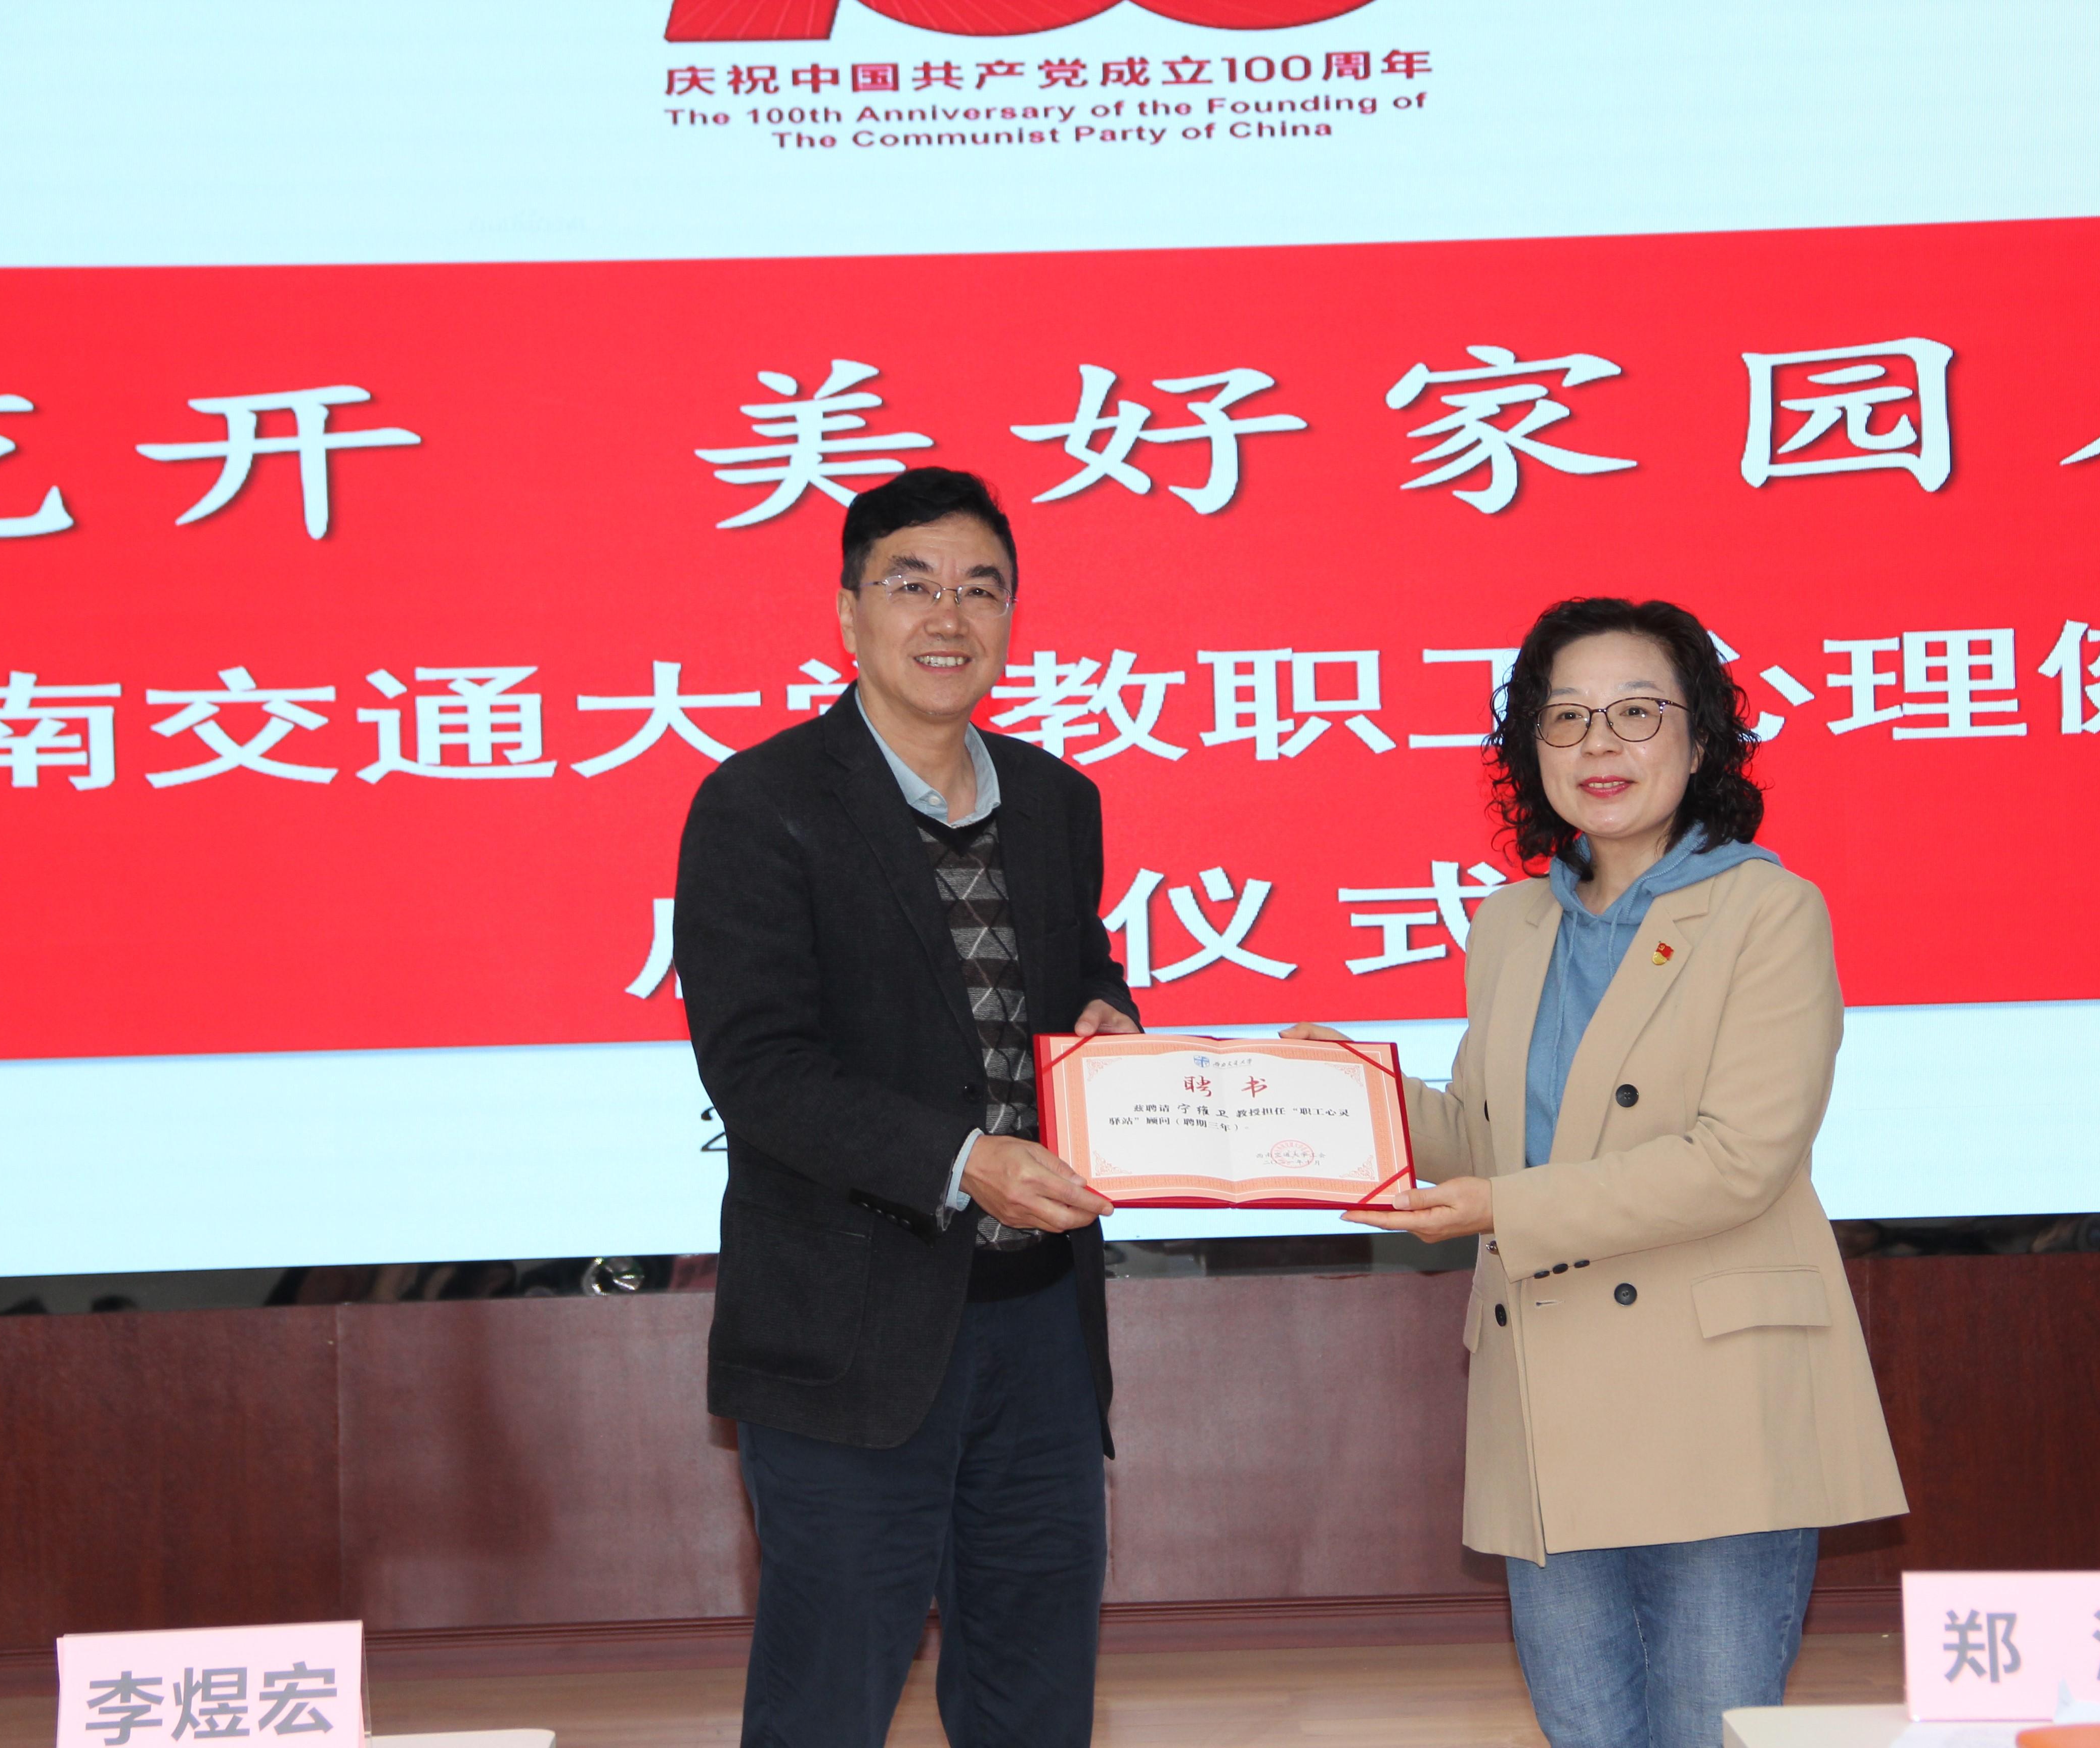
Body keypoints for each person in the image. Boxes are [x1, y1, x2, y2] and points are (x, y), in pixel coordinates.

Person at [1290, 596, 1905, 1748]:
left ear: (1702, 738)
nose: (1598, 744)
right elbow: (1488, 1138)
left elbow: (1738, 1162)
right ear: (1530, 749)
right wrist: (1354, 1094)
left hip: (1718, 1400)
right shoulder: (1513, 924)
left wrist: (1501, 1208)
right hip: (1549, 1398)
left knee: (1706, 1734)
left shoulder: (1769, 911)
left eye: (1635, 712)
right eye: (1564, 717)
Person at [674, 467, 1142, 1747]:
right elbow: (758, 1068)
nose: (950, 617)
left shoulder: (1056, 800)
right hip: (849, 1331)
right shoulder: (759, 804)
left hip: (1041, 1330)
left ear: (1012, 616)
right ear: (849, 612)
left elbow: (1077, 970)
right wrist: (963, 1158)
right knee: (829, 1701)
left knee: (1034, 1693)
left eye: (981, 589)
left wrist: (1109, 1020)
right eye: (912, 584)